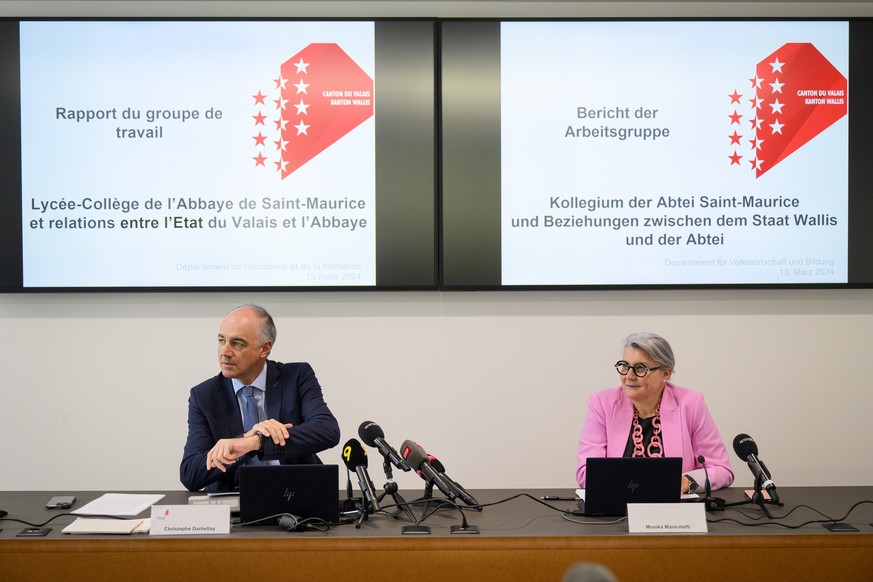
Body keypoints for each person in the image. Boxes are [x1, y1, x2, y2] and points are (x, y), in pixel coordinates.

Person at [180, 304, 340, 492]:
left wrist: (258, 442)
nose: (225, 351)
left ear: (264, 348)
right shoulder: (204, 396)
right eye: (222, 340)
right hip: (237, 502)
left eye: (237, 343)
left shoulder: (296, 377)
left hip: (296, 495)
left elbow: (327, 430)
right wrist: (245, 438)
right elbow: (191, 474)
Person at [576, 332, 733, 493]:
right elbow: (586, 473)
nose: (629, 376)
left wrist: (686, 482)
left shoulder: (691, 404)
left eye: (640, 368)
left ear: (666, 373)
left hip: (674, 512)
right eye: (624, 365)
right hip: (617, 511)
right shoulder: (602, 403)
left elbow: (721, 469)